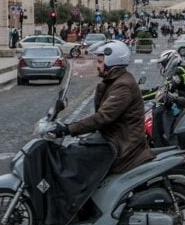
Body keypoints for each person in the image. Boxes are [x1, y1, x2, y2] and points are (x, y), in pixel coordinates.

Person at [53, 41, 152, 174]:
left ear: (111, 63)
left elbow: (102, 117)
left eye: (100, 62)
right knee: (77, 150)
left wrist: (67, 129)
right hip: (115, 139)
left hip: (123, 147)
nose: (97, 65)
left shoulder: (122, 86)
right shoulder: (115, 81)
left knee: (75, 158)